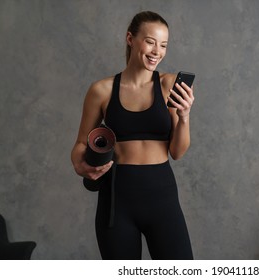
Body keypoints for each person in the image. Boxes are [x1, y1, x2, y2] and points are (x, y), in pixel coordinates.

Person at [71, 11, 194, 260]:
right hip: (117, 201)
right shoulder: (101, 90)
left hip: (162, 197)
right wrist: (80, 165)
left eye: (163, 45)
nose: (156, 51)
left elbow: (177, 152)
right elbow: (80, 144)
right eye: (150, 41)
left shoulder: (169, 85)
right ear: (131, 38)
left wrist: (184, 117)